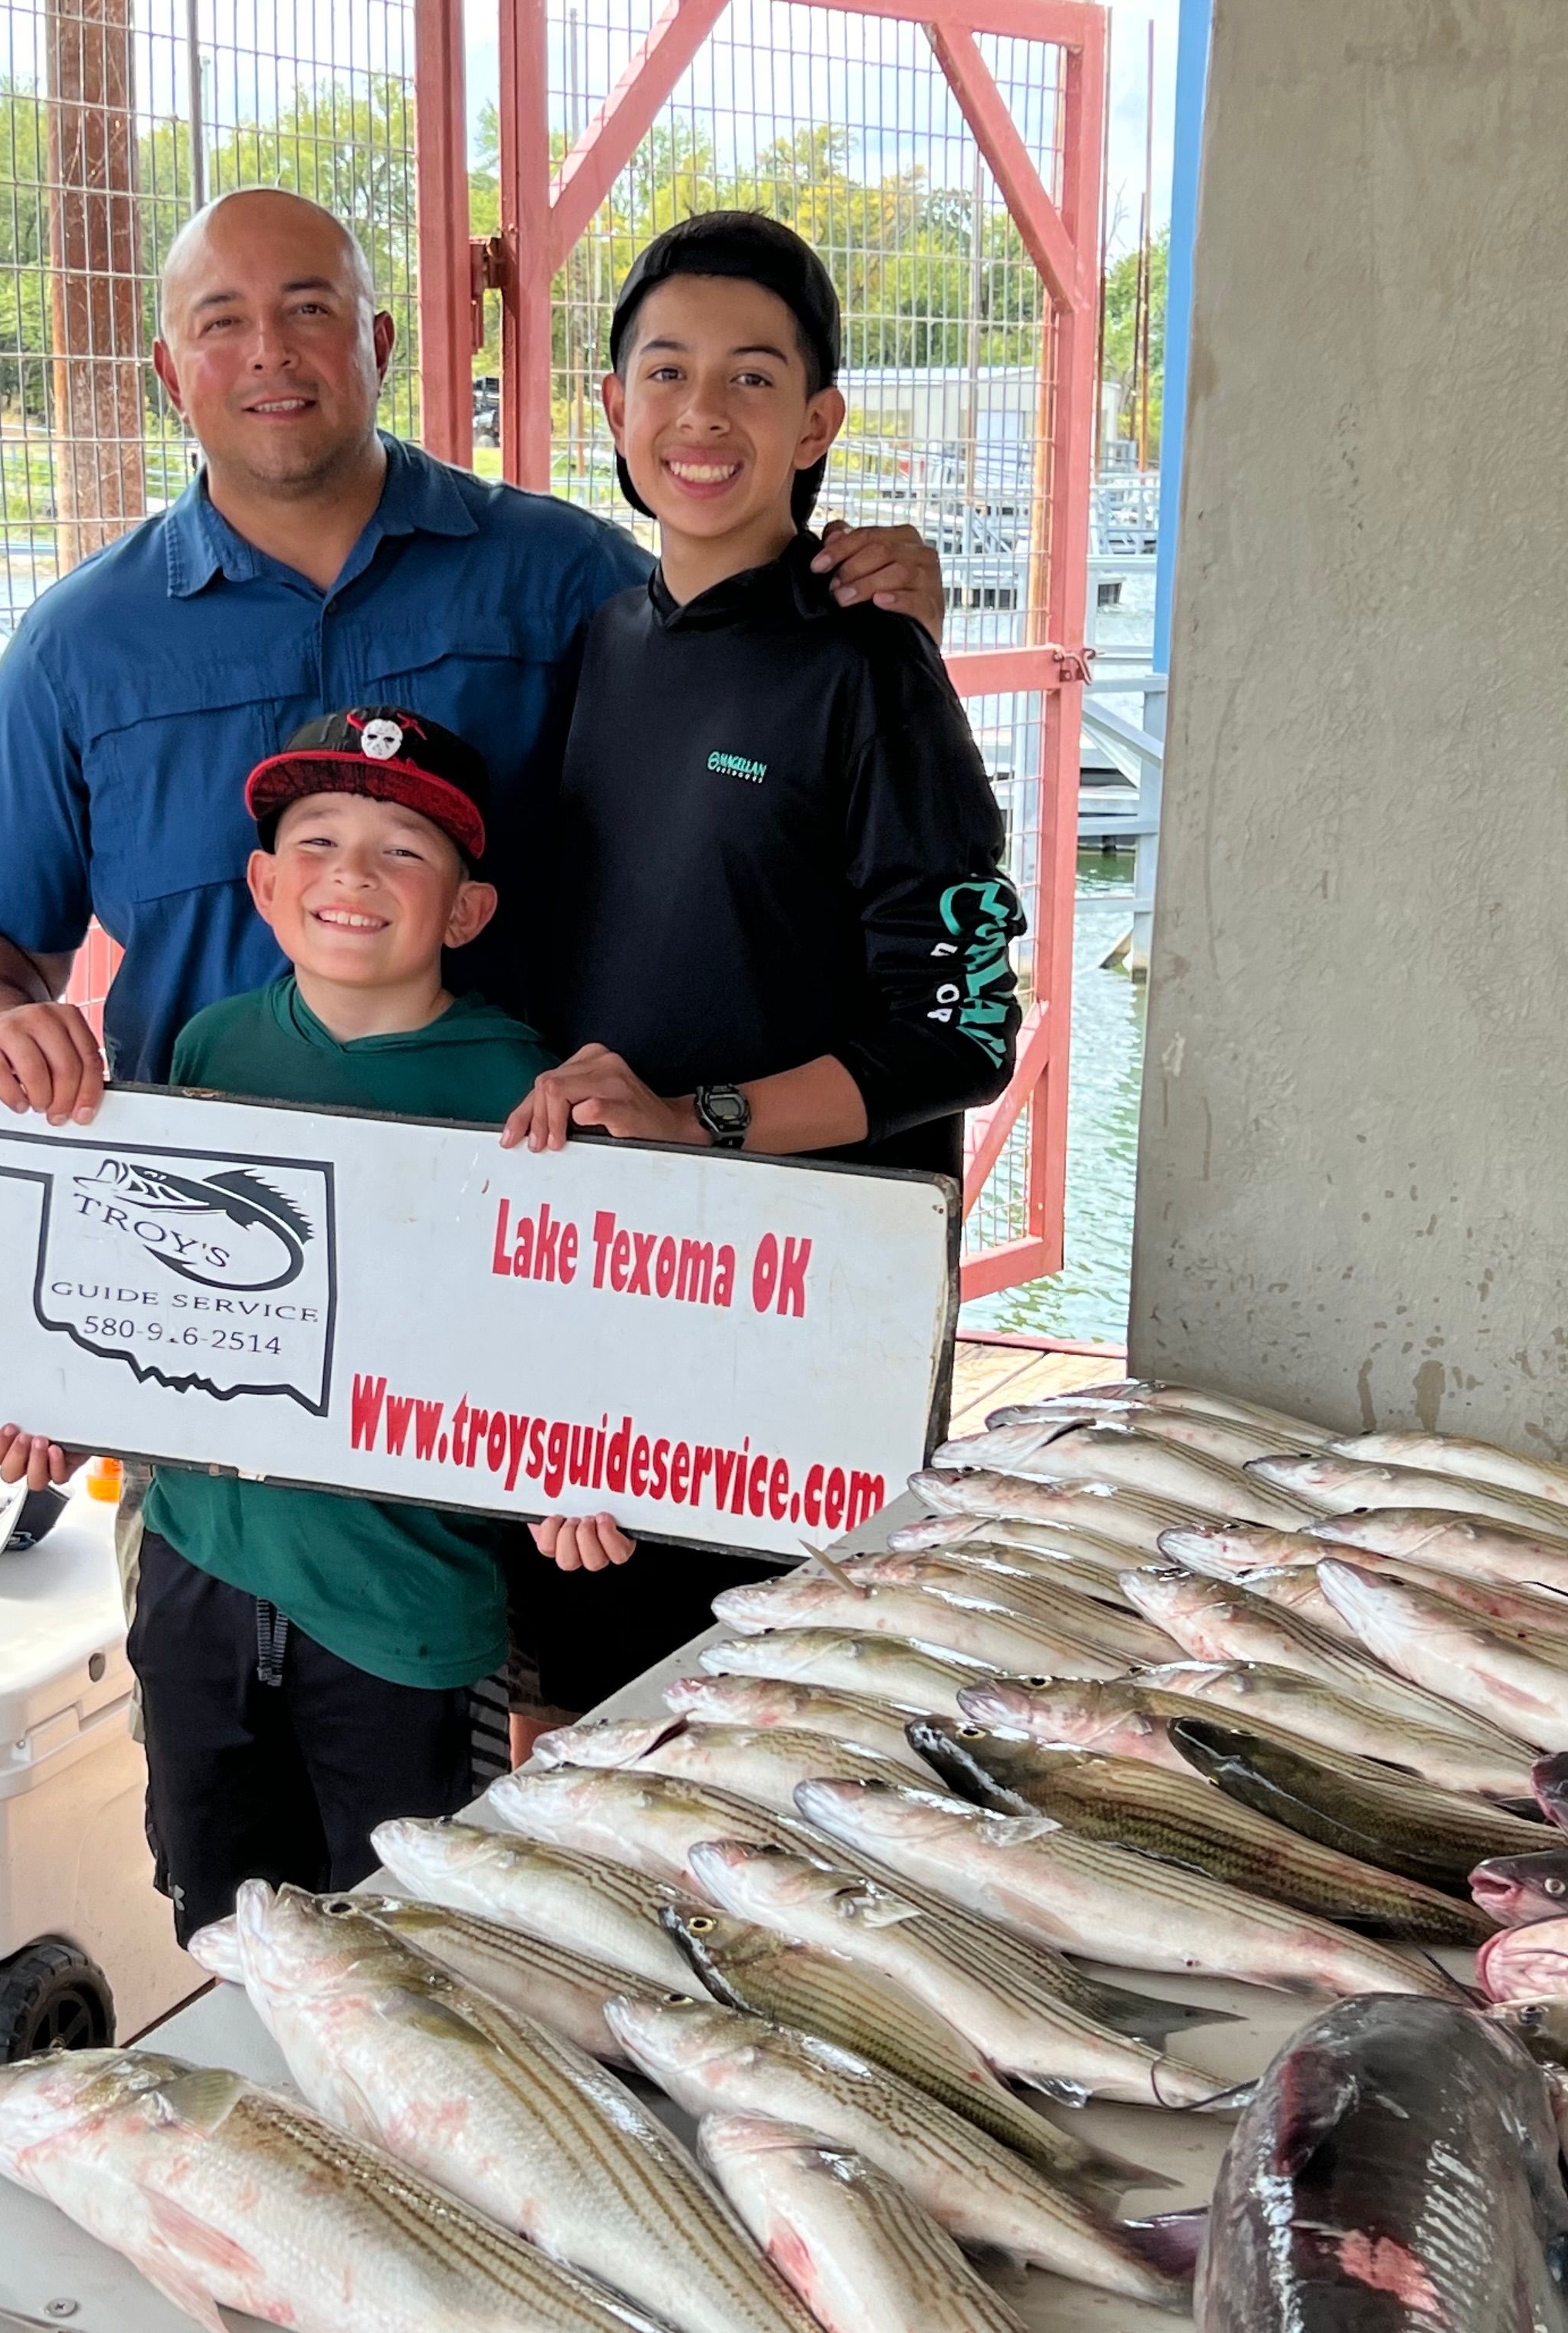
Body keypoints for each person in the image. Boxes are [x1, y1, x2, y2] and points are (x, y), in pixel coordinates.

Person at [0, 184, 945, 1720]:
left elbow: (755, 656)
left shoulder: (561, 580)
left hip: (514, 1284)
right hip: (225, 1305)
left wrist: (883, 609)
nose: (272, 354)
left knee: (556, 1711)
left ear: (380, 342)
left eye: (312, 311)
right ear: (168, 371)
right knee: (246, 1754)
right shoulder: (79, 644)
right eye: (224, 322)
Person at [499, 210, 1027, 1720]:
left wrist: (701, 1119)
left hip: (800, 1316)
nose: (701, 415)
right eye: (665, 372)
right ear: (611, 407)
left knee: (779, 1747)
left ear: (819, 423)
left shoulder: (873, 665)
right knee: (584, 1720)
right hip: (614, 1291)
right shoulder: (601, 642)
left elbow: (964, 1028)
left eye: (751, 378)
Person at [0, 707, 558, 1937]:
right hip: (198, 1576)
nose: (353, 874)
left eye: (405, 851)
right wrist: (60, 1407)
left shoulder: (524, 1093)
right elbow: (147, 1299)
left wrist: (574, 1464)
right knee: (223, 1913)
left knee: (409, 1937)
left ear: (466, 912)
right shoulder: (211, 1048)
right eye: (317, 840)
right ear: (261, 884)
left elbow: (557, 1332)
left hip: (404, 1606)